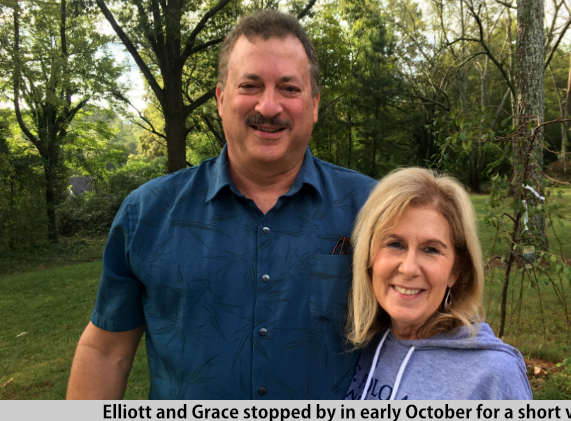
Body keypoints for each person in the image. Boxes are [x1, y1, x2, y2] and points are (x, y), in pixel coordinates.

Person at [66, 10, 374, 400]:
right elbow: (106, 350)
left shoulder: (372, 210)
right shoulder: (147, 213)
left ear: (313, 104)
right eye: (250, 85)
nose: (268, 106)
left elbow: (431, 327)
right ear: (221, 98)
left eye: (289, 89)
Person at [344, 168, 532, 400]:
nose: (409, 268)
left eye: (431, 249)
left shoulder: (492, 373)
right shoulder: (366, 343)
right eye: (395, 244)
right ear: (369, 255)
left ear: (455, 270)